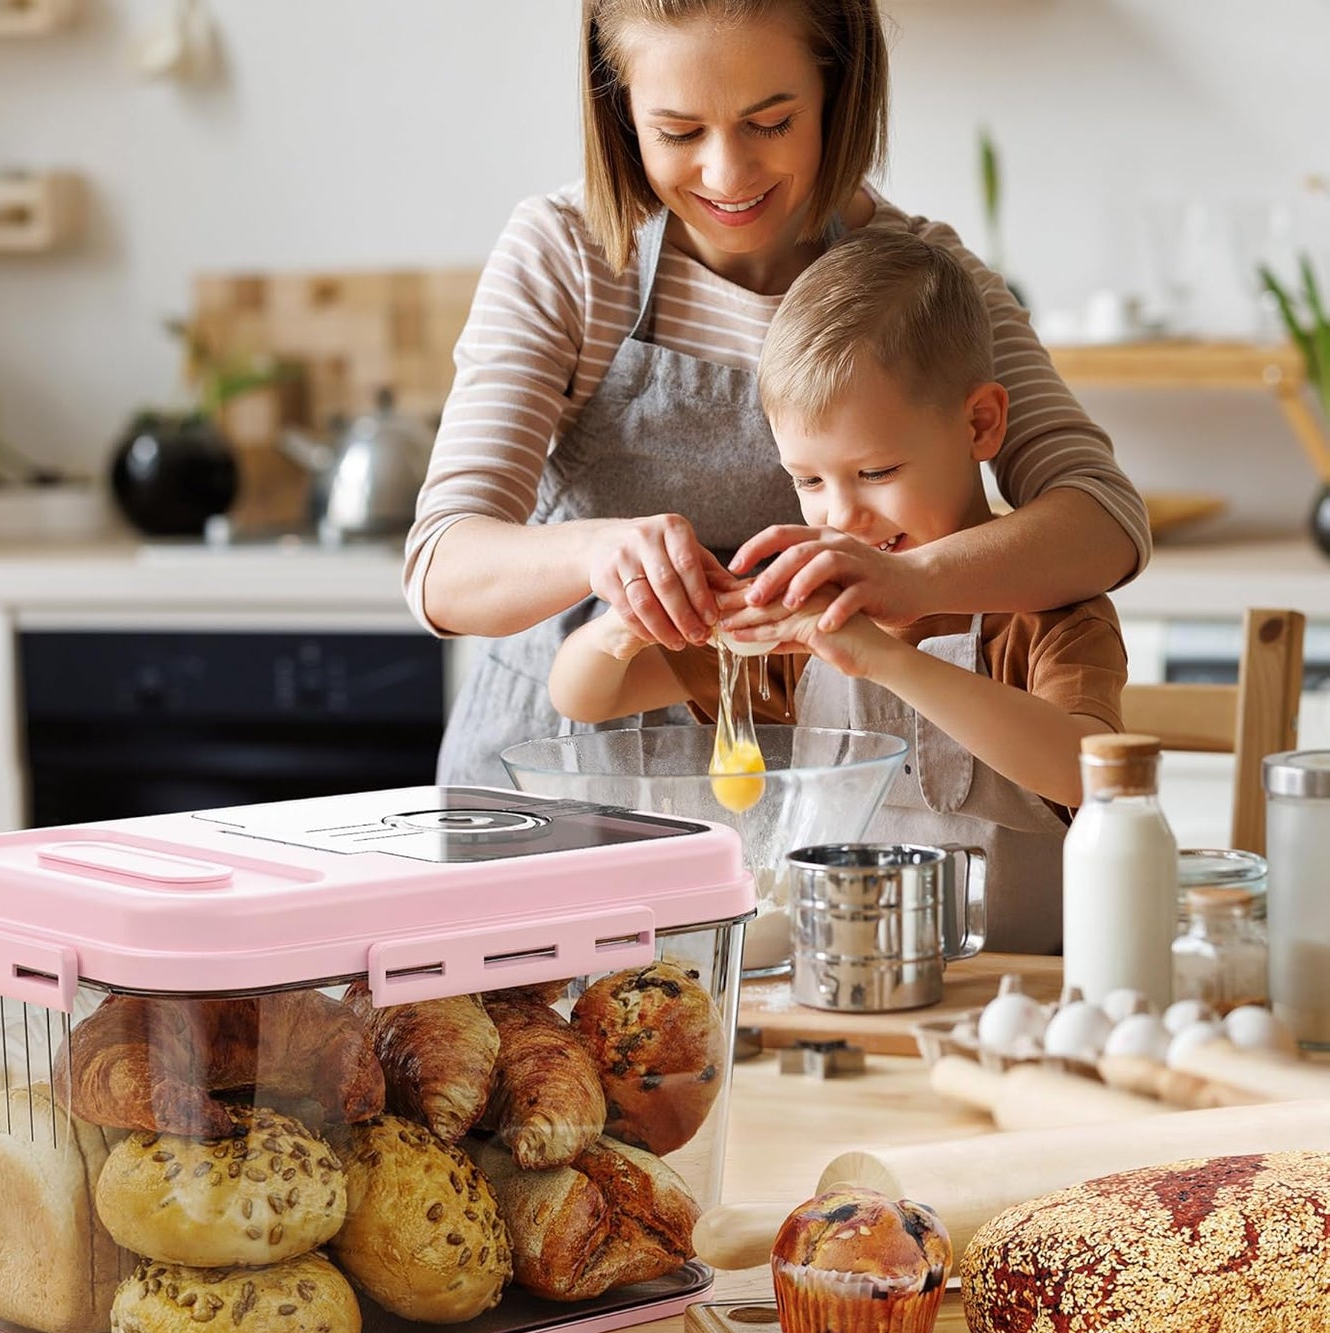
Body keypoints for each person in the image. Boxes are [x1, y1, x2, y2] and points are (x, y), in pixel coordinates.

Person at [405, 0, 1149, 788]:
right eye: (678, 132)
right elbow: (441, 569)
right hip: (546, 775)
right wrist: (599, 551)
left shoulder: (917, 285)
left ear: (837, 88)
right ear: (621, 116)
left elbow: (1104, 520)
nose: (726, 174)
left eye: (769, 123)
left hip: (786, 799)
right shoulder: (570, 254)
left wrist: (911, 583)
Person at [551, 229, 1127, 952]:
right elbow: (584, 696)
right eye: (809, 480)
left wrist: (884, 657)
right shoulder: (799, 613)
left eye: (877, 472)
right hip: (838, 1000)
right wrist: (628, 621)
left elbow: (1089, 774)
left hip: (1023, 1009)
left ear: (980, 423)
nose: (841, 515)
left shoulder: (1046, 607)